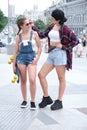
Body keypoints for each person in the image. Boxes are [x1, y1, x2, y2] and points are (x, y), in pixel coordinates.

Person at [32, 8, 79, 110]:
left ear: (58, 19)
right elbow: (41, 35)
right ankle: (46, 97)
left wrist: (63, 46)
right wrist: (33, 27)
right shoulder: (52, 26)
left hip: (60, 54)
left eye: (52, 17)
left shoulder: (65, 28)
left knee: (61, 78)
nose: (50, 18)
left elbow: (76, 41)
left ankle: (59, 101)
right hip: (52, 53)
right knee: (41, 75)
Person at [13, 17, 42, 109]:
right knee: (23, 80)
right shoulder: (18, 37)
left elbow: (40, 48)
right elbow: (15, 51)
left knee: (32, 79)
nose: (29, 25)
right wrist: (14, 65)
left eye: (29, 23)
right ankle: (25, 100)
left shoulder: (34, 34)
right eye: (27, 24)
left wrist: (37, 58)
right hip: (21, 58)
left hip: (32, 58)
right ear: (21, 26)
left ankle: (32, 101)